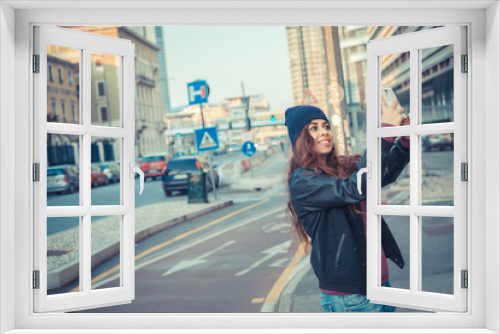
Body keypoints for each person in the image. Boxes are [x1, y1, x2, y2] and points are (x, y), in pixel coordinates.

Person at [284, 101, 410, 312]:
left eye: (326, 126)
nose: (324, 132)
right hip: (352, 296)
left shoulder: (343, 166)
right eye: (314, 128)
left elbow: (382, 173)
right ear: (300, 139)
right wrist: (385, 131)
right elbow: (356, 187)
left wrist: (404, 140)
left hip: (380, 283)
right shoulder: (303, 181)